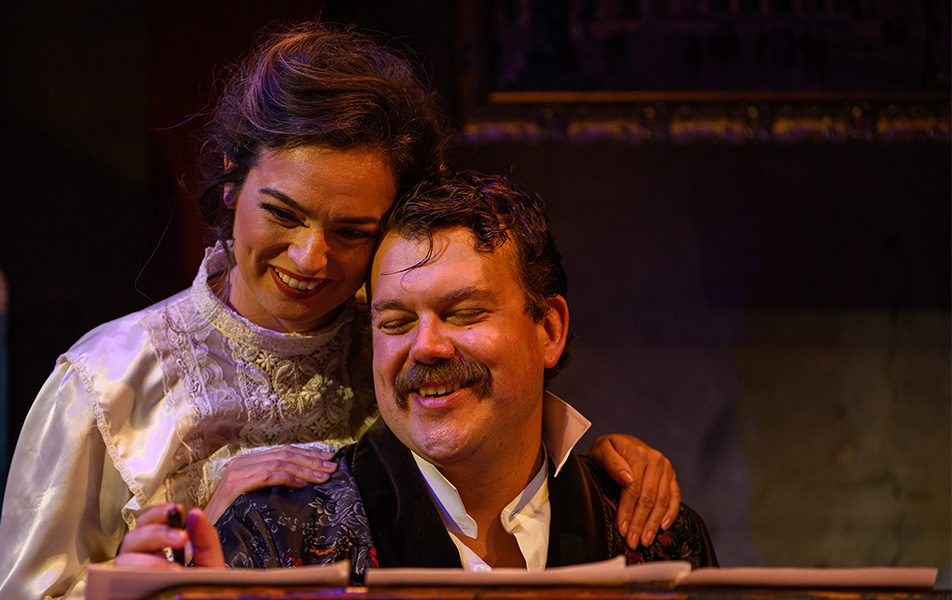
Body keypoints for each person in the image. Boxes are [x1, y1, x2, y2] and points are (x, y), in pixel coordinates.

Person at [0, 23, 682, 600]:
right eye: (283, 215)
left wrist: (599, 466)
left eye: (353, 232)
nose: (311, 259)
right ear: (232, 180)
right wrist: (201, 541)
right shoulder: (106, 383)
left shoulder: (402, 349)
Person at [117, 170, 718, 580]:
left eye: (464, 313)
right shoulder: (274, 537)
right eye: (397, 321)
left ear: (550, 329)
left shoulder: (655, 538)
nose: (426, 347)